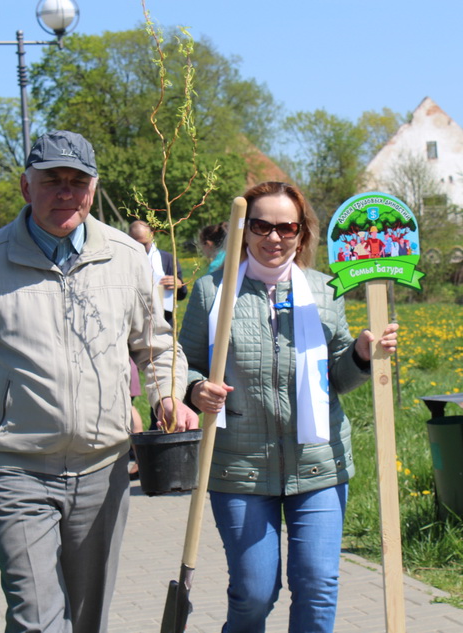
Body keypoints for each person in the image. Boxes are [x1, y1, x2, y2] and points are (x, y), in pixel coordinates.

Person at [0, 130, 198, 633]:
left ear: (92, 190)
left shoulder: (126, 257)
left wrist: (168, 396)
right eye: (53, 181)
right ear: (27, 187)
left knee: (88, 618)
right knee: (35, 619)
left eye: (78, 181)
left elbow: (155, 346)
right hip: (18, 469)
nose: (66, 193)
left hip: (105, 467)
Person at [178, 181, 399, 633]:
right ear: (243, 229)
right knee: (254, 594)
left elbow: (336, 378)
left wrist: (359, 354)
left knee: (317, 586)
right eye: (261, 225)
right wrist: (196, 390)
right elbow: (182, 364)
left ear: (302, 234)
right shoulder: (210, 292)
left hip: (318, 464)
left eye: (286, 227)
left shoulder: (325, 291)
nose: (273, 237)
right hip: (239, 467)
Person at [127, 220, 188, 325]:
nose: (141, 248)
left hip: (164, 320)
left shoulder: (167, 259)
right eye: (137, 244)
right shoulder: (125, 260)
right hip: (135, 320)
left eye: (144, 244)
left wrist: (178, 284)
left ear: (151, 235)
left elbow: (182, 294)